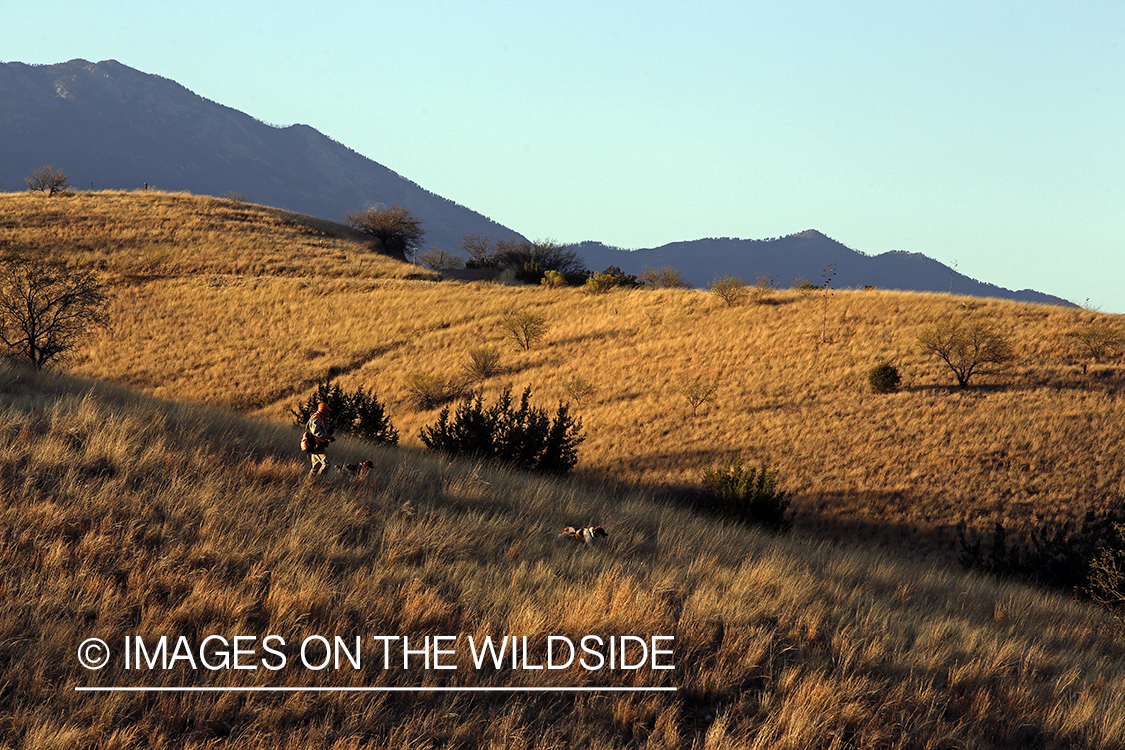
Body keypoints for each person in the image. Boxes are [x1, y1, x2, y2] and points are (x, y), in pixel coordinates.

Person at [305, 402, 335, 477]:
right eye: (327, 410)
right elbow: (315, 431)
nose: (328, 413)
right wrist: (327, 437)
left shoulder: (317, 417)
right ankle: (319, 480)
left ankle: (309, 482)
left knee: (316, 467)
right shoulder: (317, 418)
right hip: (316, 445)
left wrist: (329, 432)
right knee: (327, 464)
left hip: (315, 445)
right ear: (323, 410)